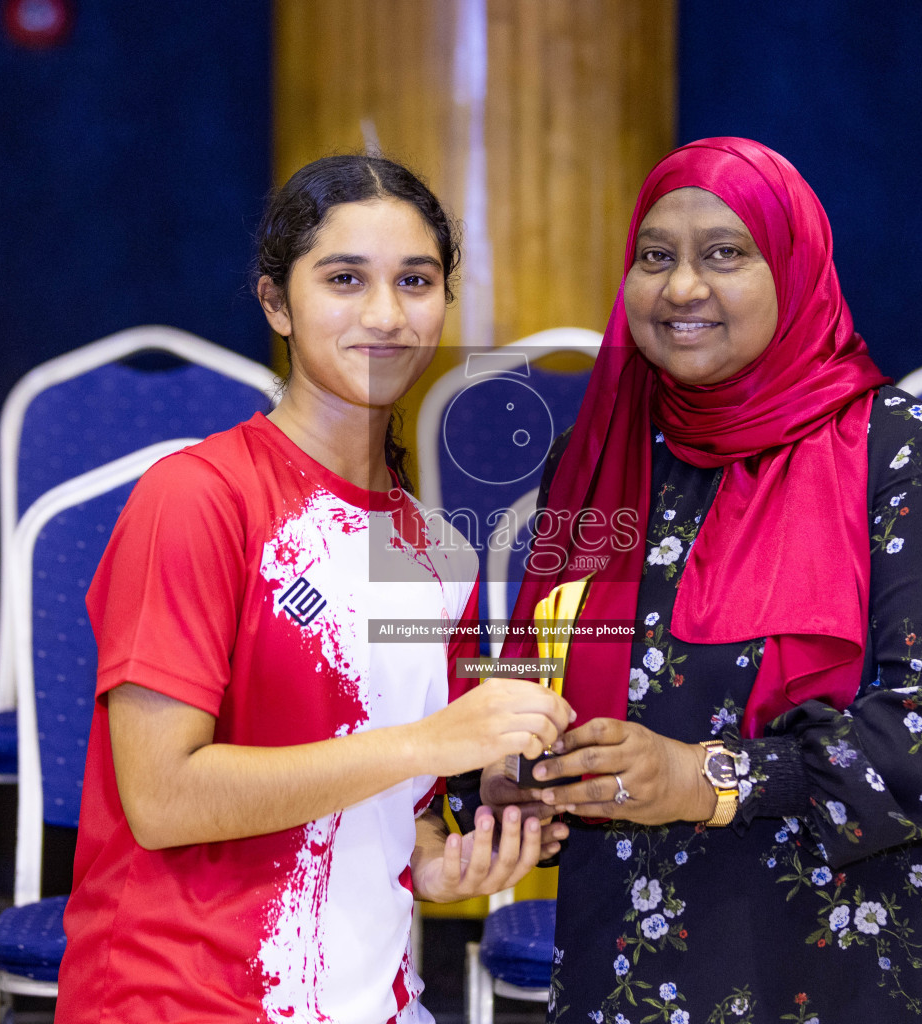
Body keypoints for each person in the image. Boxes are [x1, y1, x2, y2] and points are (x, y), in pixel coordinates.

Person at [475, 138, 922, 1022]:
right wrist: (497, 764)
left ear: (794, 271)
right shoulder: (598, 455)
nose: (682, 287)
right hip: (636, 953)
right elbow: (535, 662)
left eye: (725, 253)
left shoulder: (902, 451)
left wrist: (705, 777)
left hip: (850, 942)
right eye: (656, 258)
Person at [55, 155, 574, 1023]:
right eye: (344, 279)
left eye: (415, 280)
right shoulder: (196, 497)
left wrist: (438, 865)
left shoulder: (433, 550)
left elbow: (385, 805)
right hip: (178, 998)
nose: (384, 314)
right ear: (275, 304)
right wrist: (431, 742)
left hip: (369, 1000)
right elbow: (163, 800)